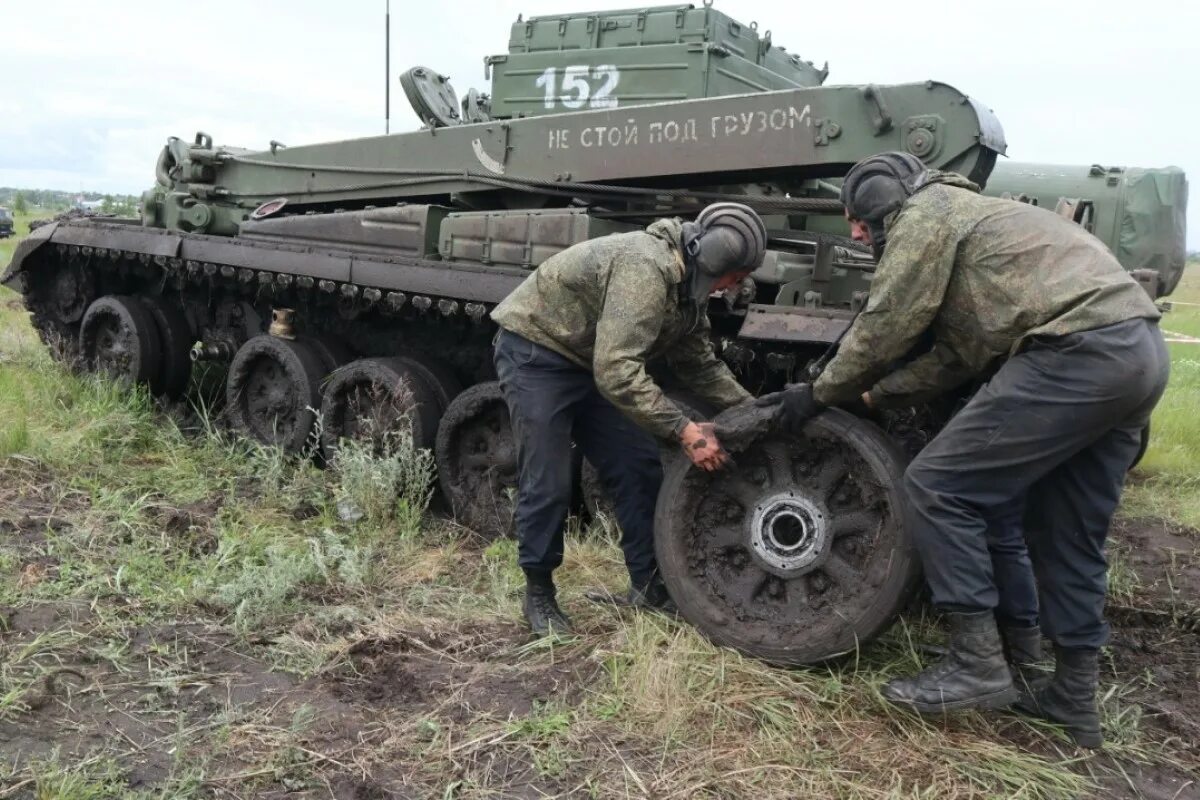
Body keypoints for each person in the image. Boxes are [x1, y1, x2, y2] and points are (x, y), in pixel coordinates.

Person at [760, 152, 1167, 747]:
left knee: (936, 487)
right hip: (1137, 353)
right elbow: (956, 359)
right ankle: (1067, 693)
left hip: (1076, 351)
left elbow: (886, 322)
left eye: (855, 217)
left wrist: (820, 392)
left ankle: (976, 663)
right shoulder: (974, 220)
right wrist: (870, 397)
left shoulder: (927, 213)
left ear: (880, 199)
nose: (853, 231)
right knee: (1064, 531)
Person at [490, 203, 766, 636]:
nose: (735, 287)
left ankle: (649, 587)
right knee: (549, 479)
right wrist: (683, 429)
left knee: (636, 466)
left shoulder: (688, 290)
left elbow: (699, 366)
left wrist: (754, 411)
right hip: (537, 354)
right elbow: (617, 371)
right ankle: (539, 592)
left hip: (592, 361)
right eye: (735, 277)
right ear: (712, 260)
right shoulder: (646, 268)